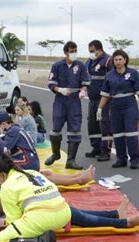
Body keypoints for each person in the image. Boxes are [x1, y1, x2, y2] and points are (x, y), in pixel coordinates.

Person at [0, 154, 71, 242]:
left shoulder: (7, 186)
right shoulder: (32, 172)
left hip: (42, 219)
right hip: (64, 214)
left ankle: (41, 241)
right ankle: (43, 236)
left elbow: (14, 220)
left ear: (2, 175)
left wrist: (4, 222)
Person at [0, 194, 139, 234]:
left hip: (28, 209)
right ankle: (123, 222)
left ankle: (115, 214)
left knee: (75, 213)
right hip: (30, 215)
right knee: (78, 217)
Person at [98, 50, 139, 169]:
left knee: (131, 133)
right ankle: (121, 159)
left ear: (125, 60)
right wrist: (100, 108)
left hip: (129, 105)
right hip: (115, 106)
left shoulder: (133, 73)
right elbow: (105, 94)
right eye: (116, 60)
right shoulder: (109, 75)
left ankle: (134, 159)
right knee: (118, 134)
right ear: (113, 61)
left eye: (120, 59)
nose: (118, 62)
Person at [46, 41, 91, 169]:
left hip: (74, 101)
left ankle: (70, 160)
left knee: (75, 130)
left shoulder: (81, 66)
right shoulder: (57, 66)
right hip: (60, 100)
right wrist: (59, 90)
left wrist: (83, 90)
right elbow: (51, 84)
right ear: (66, 52)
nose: (74, 54)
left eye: (75, 51)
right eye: (72, 51)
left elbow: (85, 82)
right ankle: (56, 154)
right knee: (55, 131)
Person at [85, 40, 114, 161]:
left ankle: (105, 151)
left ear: (100, 50)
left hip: (105, 100)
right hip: (92, 99)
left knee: (105, 125)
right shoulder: (89, 61)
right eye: (89, 51)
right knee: (92, 125)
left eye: (92, 51)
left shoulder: (108, 61)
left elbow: (113, 79)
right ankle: (96, 148)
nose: (91, 53)